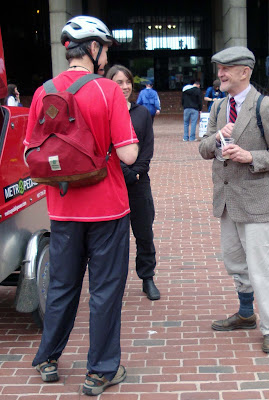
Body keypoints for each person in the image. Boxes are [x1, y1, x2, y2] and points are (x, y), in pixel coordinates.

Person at [24, 16, 139, 396]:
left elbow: (30, 152)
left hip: (62, 207)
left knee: (61, 285)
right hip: (106, 208)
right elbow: (127, 154)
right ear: (93, 48)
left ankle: (47, 358)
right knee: (105, 290)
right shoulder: (107, 90)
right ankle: (100, 371)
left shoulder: (43, 91)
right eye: (104, 48)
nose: (105, 55)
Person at [199, 46, 269, 354]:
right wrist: (216, 138)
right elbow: (203, 148)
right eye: (219, 68)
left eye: (227, 68)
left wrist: (250, 155)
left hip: (257, 201)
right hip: (228, 199)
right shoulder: (218, 107)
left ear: (245, 72)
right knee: (235, 262)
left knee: (260, 267)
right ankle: (245, 314)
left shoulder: (265, 107)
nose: (220, 74)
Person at [106, 65, 160, 301]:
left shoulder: (141, 113)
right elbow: (104, 150)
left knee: (144, 233)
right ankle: (112, 283)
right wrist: (125, 173)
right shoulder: (103, 113)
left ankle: (147, 278)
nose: (125, 87)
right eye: (118, 82)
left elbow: (146, 148)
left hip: (139, 182)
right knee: (112, 239)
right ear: (109, 85)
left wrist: (136, 172)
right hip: (112, 184)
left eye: (128, 82)